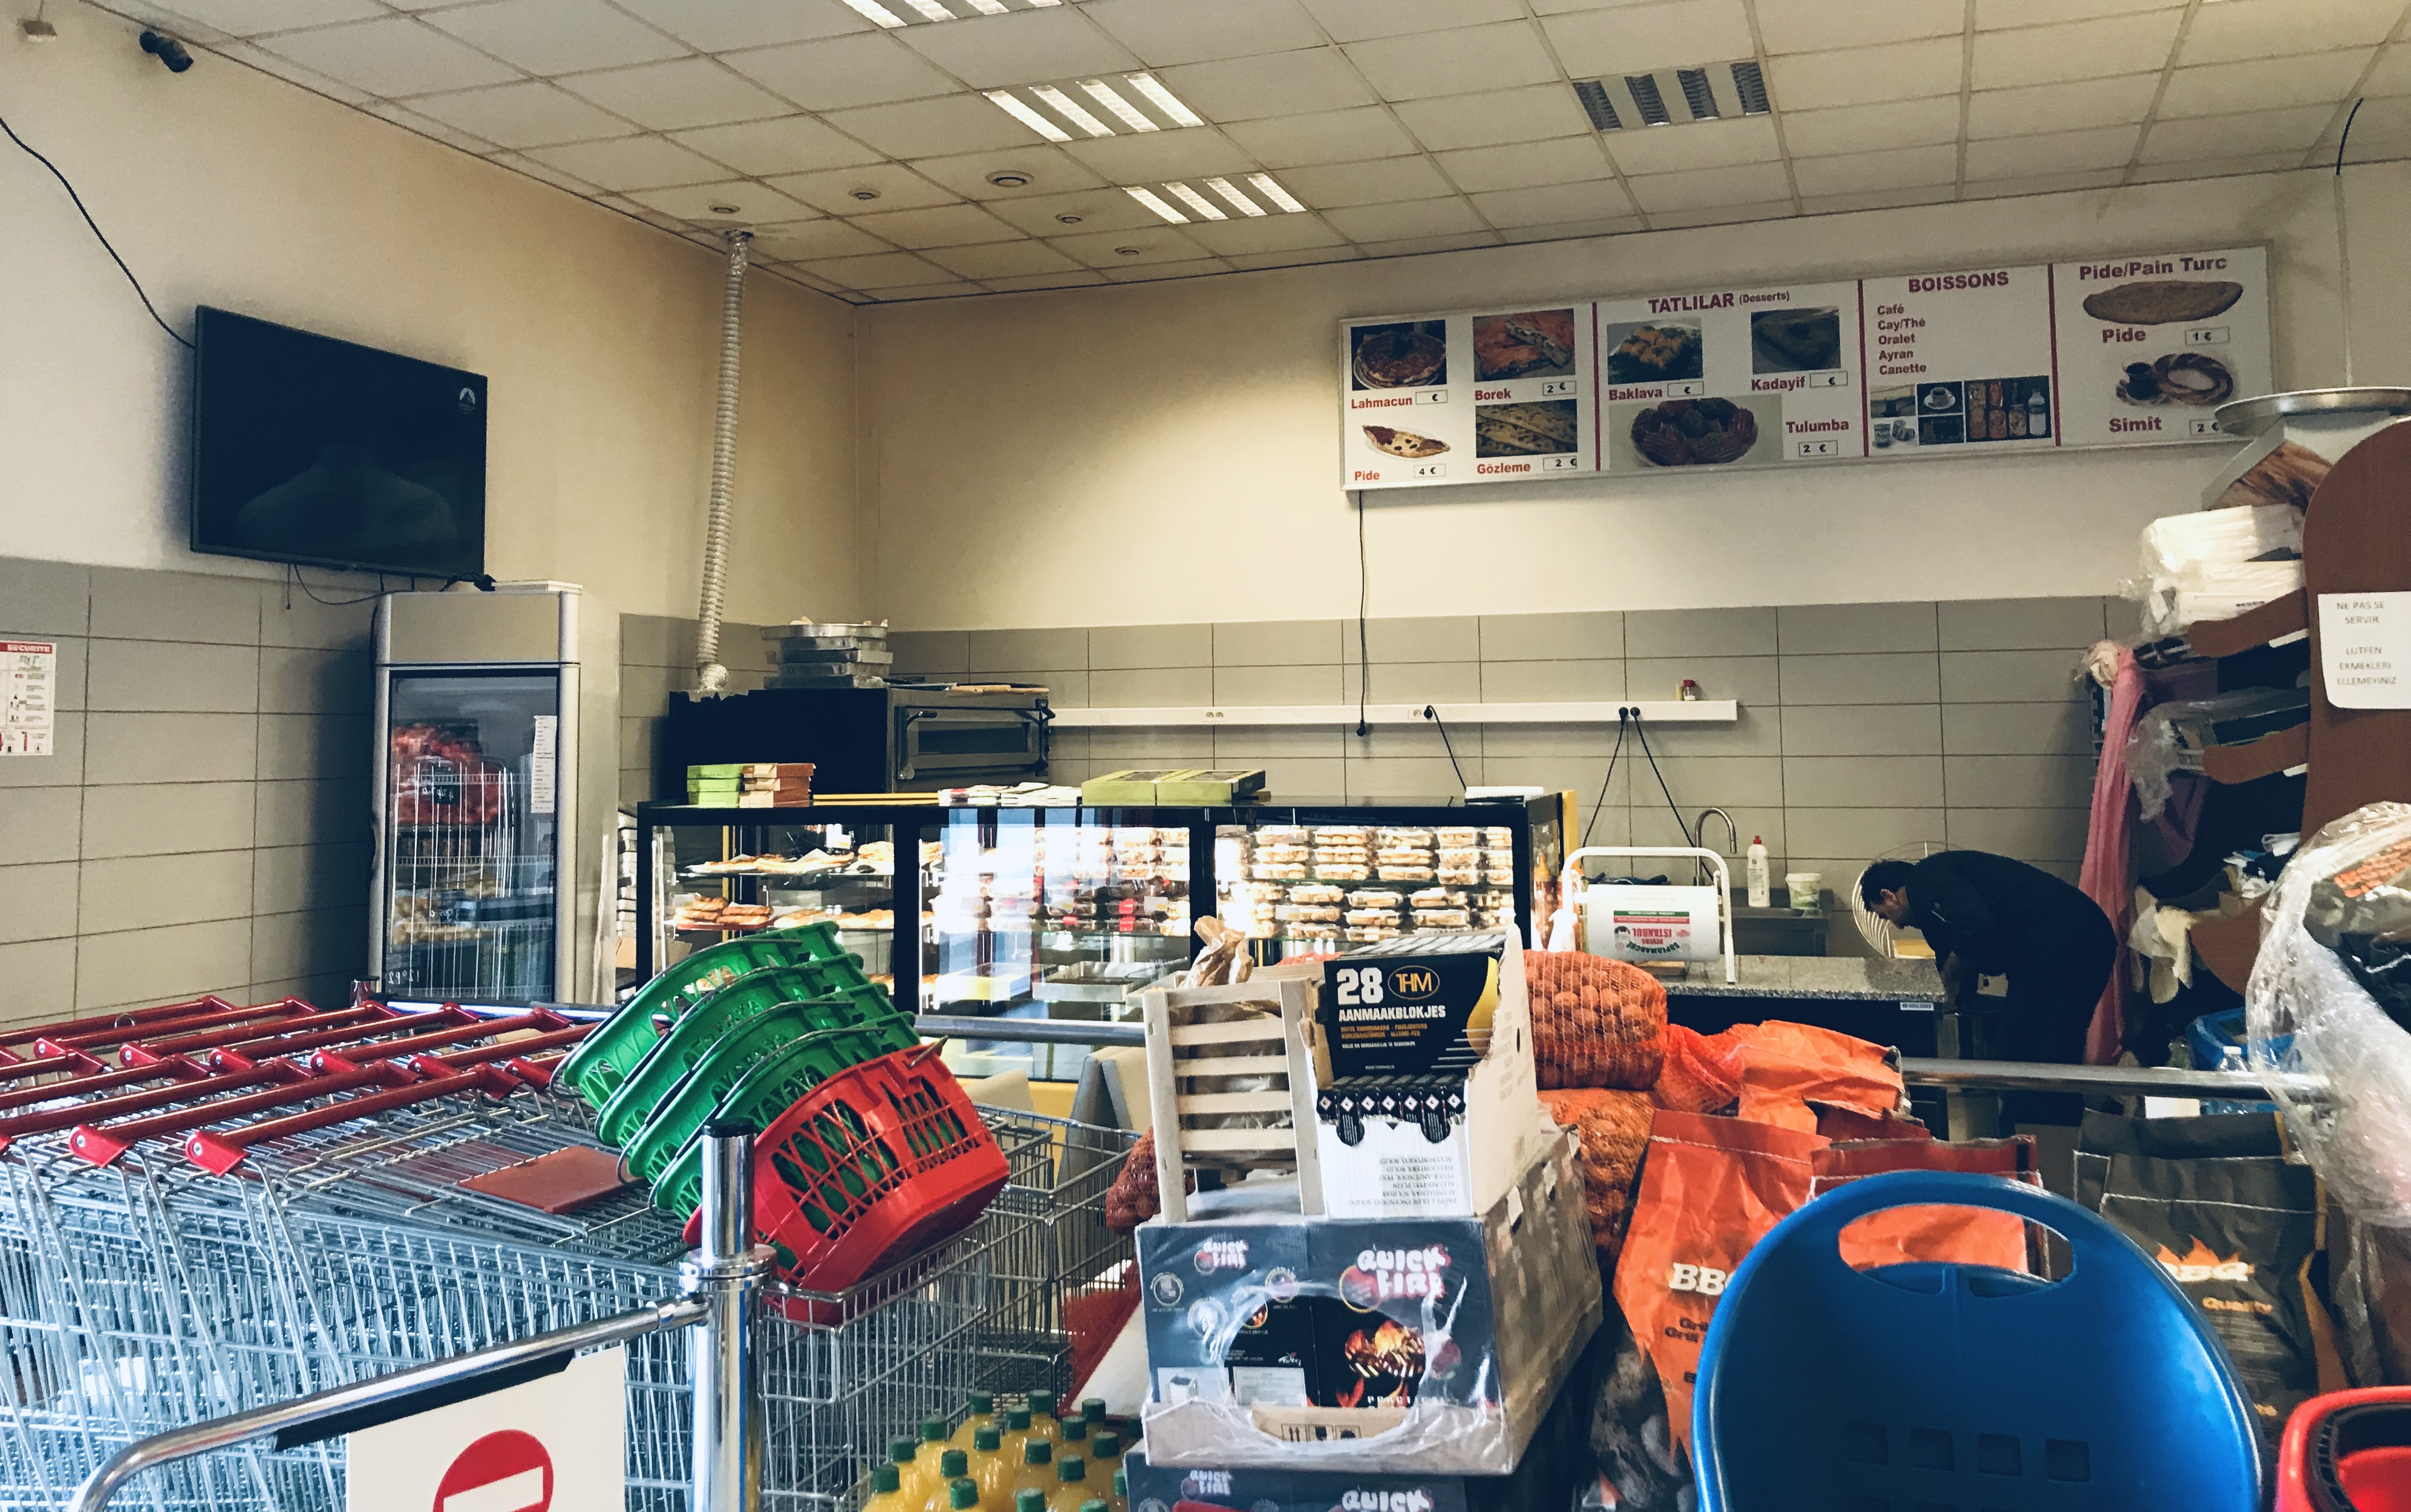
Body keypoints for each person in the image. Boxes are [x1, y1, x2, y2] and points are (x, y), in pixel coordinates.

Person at [1860, 850, 2116, 1124]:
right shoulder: (1936, 888)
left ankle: (2035, 1135)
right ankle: (2051, 1133)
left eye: (1886, 915)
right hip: (2078, 937)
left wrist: (1951, 980)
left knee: (2027, 1051)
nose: (1896, 925)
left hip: (2065, 942)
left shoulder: (1925, 882)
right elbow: (1957, 950)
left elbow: (1974, 930)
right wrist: (1953, 993)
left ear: (1889, 895)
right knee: (2053, 1047)